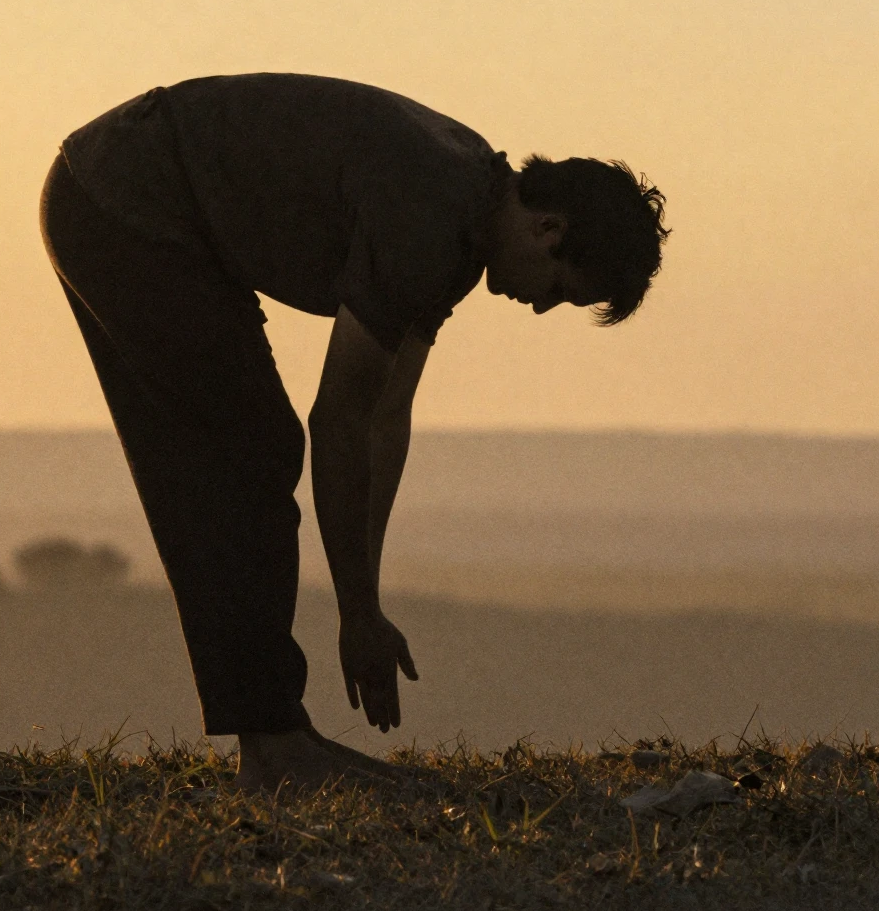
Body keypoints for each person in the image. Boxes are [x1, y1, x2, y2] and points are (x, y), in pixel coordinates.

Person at [39, 73, 668, 790]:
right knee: (249, 451)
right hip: (126, 199)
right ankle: (274, 748)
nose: (539, 309)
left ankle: (274, 736)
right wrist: (357, 615)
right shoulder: (433, 215)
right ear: (548, 229)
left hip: (118, 194)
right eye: (559, 290)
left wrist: (364, 602)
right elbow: (337, 421)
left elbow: (383, 419)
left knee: (242, 450)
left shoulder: (462, 219)